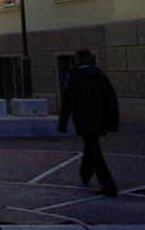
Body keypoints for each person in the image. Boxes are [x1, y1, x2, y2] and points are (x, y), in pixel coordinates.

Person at [58, 49, 119, 196]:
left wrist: (63, 124)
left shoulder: (74, 77)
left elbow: (68, 101)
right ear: (91, 60)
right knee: (92, 146)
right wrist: (113, 123)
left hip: (84, 120)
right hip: (101, 120)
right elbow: (112, 100)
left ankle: (108, 185)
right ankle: (85, 175)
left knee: (94, 151)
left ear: (77, 61)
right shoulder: (101, 76)